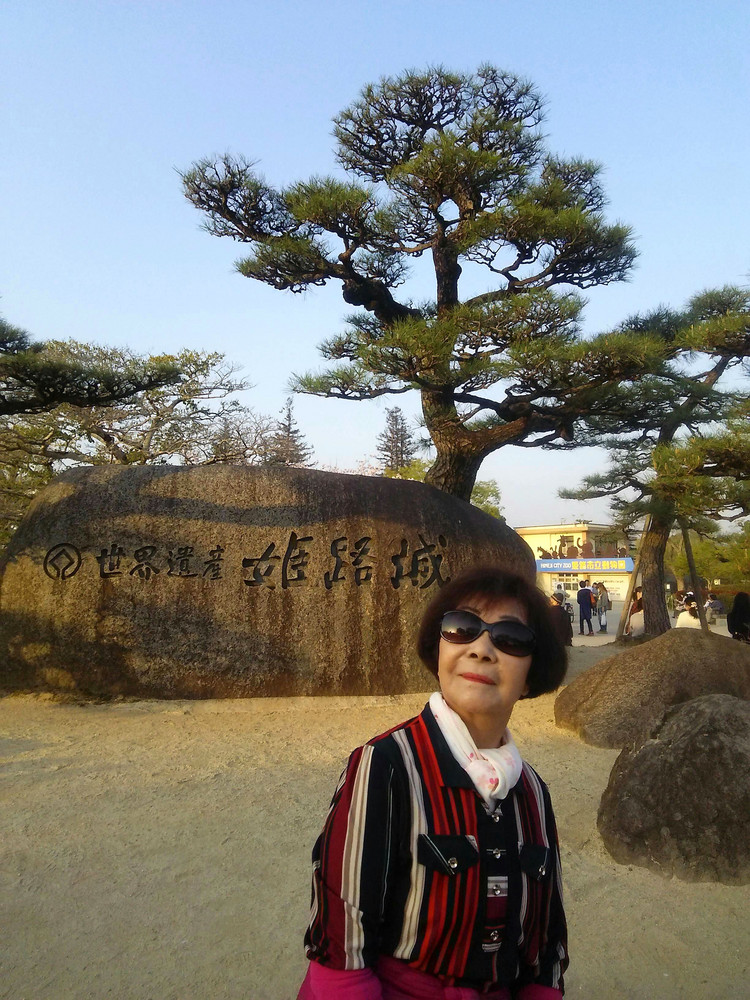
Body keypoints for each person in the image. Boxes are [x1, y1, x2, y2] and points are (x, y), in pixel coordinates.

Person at [298, 566, 569, 1000]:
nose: (481, 649)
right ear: (439, 649)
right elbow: (342, 944)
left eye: (510, 638)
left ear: (531, 674)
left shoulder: (533, 792)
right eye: (462, 628)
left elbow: (547, 945)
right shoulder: (385, 764)